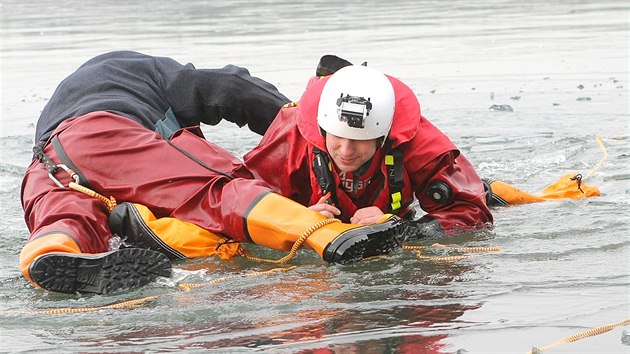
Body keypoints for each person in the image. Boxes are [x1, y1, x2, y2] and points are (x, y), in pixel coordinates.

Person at [19, 51, 410, 295]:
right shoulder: (153, 76)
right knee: (216, 190)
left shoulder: (84, 96)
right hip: (103, 135)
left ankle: (51, 252)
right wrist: (301, 122)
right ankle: (327, 235)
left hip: (48, 165)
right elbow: (231, 88)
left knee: (66, 214)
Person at [243, 56, 494, 238]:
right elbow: (242, 204)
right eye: (337, 137)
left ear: (383, 136)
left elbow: (471, 214)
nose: (346, 150)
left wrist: (399, 229)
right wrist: (297, 220)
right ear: (321, 129)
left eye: (360, 140)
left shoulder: (419, 142)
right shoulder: (292, 135)